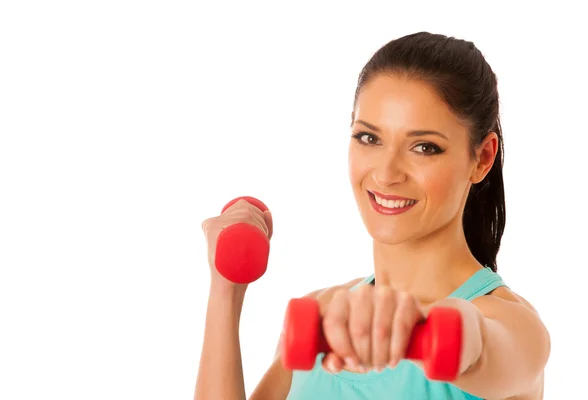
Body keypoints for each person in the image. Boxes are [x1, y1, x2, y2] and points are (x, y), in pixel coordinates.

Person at [194, 32, 551, 400]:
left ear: (483, 158)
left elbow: (478, 347)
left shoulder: (514, 327)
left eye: (424, 147)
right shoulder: (322, 315)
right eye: (369, 138)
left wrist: (421, 328)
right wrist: (225, 291)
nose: (385, 174)